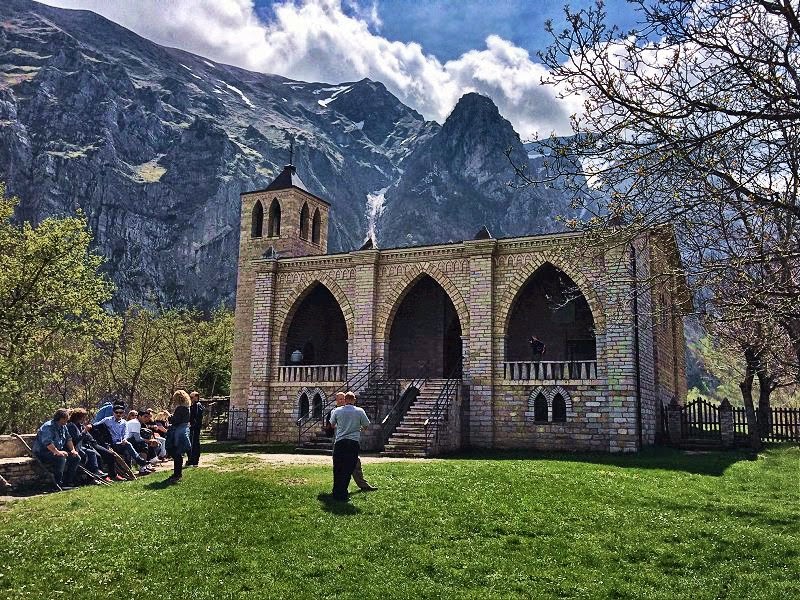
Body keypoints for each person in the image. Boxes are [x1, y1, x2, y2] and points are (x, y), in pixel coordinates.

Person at [328, 392, 377, 492]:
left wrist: (342, 427)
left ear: (345, 400)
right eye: (339, 399)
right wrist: (358, 429)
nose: (341, 401)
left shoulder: (337, 411)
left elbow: (331, 425)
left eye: (343, 399)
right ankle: (345, 489)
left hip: (340, 441)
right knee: (349, 466)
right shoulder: (359, 411)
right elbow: (366, 425)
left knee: (341, 467)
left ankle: (339, 490)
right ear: (354, 400)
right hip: (352, 441)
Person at [31, 408, 81, 488]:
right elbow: (48, 443)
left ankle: (68, 481)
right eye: (66, 419)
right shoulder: (48, 427)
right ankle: (58, 484)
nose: (67, 421)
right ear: (61, 418)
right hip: (43, 452)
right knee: (60, 458)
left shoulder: (63, 426)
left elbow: (68, 439)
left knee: (76, 457)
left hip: (55, 451)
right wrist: (58, 452)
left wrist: (73, 450)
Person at [99, 403, 151, 476]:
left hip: (121, 443)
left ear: (123, 413)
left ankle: (130, 469)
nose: (118, 414)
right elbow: (96, 425)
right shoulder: (107, 420)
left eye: (120, 412)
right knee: (131, 445)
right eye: (116, 412)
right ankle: (140, 461)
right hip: (112, 444)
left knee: (128, 446)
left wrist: (124, 439)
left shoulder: (124, 422)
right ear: (113, 412)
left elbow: (126, 433)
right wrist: (89, 426)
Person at [66, 408, 107, 481]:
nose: (84, 419)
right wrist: (85, 430)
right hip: (74, 447)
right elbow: (76, 439)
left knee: (93, 453)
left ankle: (96, 472)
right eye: (83, 417)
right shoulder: (71, 426)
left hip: (81, 446)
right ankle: (88, 476)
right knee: (86, 455)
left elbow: (87, 437)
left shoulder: (79, 425)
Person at [166, 390, 192, 483]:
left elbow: (175, 420)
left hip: (177, 432)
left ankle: (177, 474)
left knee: (175, 452)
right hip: (183, 430)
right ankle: (177, 473)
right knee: (178, 454)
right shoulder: (187, 408)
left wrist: (169, 417)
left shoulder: (180, 408)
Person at [186, 391, 204, 467]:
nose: (191, 399)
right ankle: (191, 459)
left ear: (196, 397)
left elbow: (196, 417)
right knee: (192, 443)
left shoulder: (197, 405)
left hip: (194, 428)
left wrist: (192, 424)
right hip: (193, 427)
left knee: (194, 444)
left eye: (192, 397)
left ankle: (194, 460)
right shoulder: (194, 405)